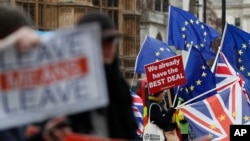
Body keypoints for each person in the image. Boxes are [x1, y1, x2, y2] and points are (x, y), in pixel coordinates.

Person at [68, 11, 138, 140]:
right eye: (102, 41)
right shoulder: (67, 91)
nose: (109, 47)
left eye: (112, 40)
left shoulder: (120, 89)